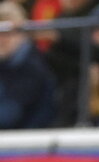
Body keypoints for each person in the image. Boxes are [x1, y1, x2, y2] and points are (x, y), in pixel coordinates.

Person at [0, 0, 57, 129]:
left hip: (30, 142)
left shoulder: (32, 66)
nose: (1, 40)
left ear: (22, 33)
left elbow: (10, 115)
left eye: (7, 33)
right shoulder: (5, 63)